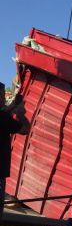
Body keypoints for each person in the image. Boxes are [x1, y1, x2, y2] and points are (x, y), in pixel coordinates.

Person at [1, 82, 30, 217]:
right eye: (1, 96)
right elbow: (25, 129)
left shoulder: (4, 116)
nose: (3, 99)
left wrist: (12, 107)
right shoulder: (3, 118)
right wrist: (21, 115)